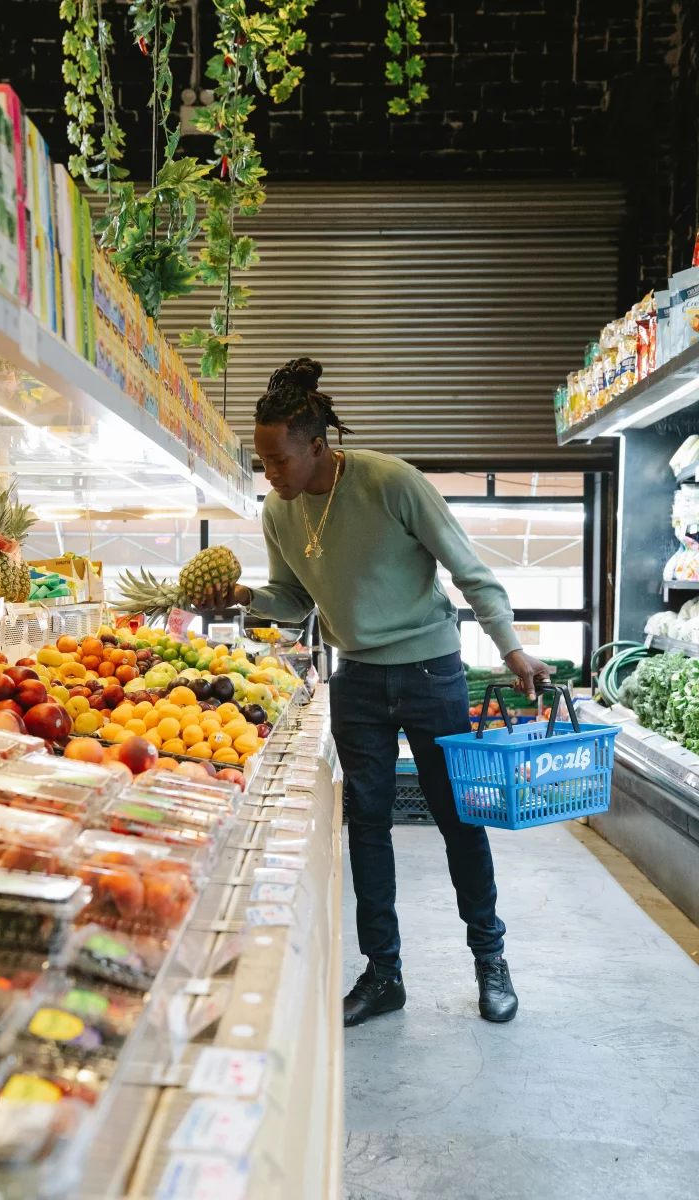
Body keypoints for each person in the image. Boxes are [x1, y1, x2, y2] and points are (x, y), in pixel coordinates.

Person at [202, 357, 551, 1027]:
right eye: (262, 461)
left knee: (458, 821)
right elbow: (293, 598)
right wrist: (245, 596)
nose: (268, 473)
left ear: (316, 445)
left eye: (277, 459)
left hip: (430, 671)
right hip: (356, 677)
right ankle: (384, 972)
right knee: (367, 826)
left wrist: (511, 648)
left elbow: (471, 572)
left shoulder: (391, 483)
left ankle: (490, 958)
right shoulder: (279, 510)